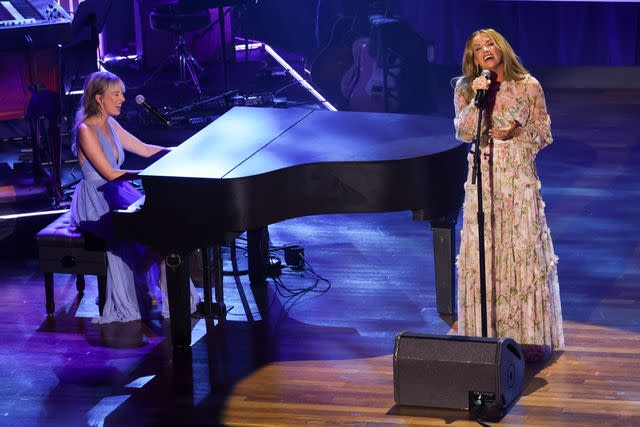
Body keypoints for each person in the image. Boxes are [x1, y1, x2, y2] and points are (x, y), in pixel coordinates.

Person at [452, 29, 564, 361]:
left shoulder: (528, 86)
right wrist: (476, 98)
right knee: (486, 252)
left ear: (501, 49)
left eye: (489, 44)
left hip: (517, 179)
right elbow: (463, 131)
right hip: (483, 181)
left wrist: (518, 132)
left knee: (519, 250)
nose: (484, 50)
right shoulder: (466, 89)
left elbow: (544, 131)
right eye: (477, 49)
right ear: (473, 59)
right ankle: (486, 331)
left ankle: (526, 335)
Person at [69, 71, 200, 323]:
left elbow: (143, 149)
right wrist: (151, 173)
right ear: (99, 98)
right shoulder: (86, 129)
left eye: (122, 94)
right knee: (147, 231)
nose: (121, 99)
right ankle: (141, 276)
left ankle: (170, 296)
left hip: (116, 192)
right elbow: (108, 173)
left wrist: (180, 150)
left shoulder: (111, 123)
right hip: (96, 199)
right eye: (116, 94)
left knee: (163, 230)